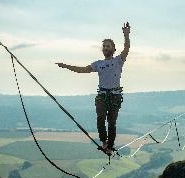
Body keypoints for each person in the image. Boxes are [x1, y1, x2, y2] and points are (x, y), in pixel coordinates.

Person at [56, 22, 131, 155]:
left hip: (115, 96)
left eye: (108, 46)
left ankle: (110, 147)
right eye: (104, 46)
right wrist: (65, 66)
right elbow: (82, 70)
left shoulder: (118, 60)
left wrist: (126, 35)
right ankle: (104, 142)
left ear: (113, 49)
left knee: (112, 123)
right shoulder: (98, 64)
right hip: (102, 95)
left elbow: (126, 48)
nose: (105, 48)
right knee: (101, 118)